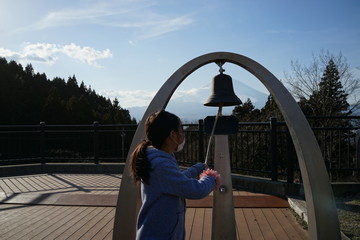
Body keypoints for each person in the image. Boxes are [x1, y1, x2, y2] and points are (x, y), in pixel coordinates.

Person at [130, 110, 221, 240]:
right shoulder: (160, 165)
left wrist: (197, 169)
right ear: (172, 135)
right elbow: (195, 190)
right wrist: (211, 177)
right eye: (181, 130)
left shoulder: (160, 160)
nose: (183, 134)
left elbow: (177, 181)